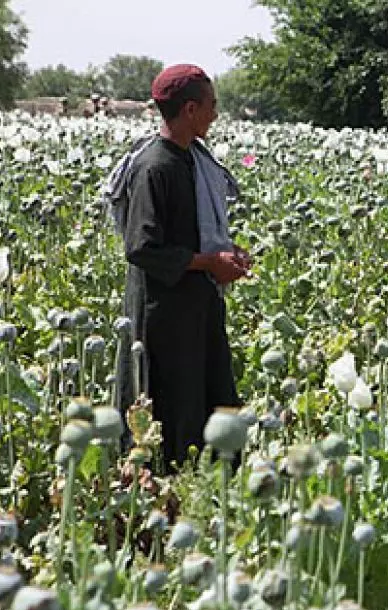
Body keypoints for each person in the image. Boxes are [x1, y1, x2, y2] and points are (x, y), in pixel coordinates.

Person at [112, 64, 253, 471]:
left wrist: (226, 253)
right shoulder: (155, 167)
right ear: (190, 109)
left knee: (206, 396)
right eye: (212, 105)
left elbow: (196, 233)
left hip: (196, 306)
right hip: (164, 317)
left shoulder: (192, 160)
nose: (215, 113)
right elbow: (140, 247)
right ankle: (166, 488)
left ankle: (210, 482)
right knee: (172, 407)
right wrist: (209, 262)